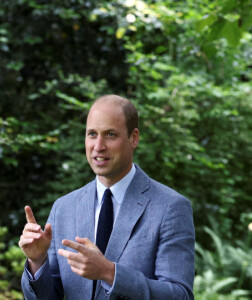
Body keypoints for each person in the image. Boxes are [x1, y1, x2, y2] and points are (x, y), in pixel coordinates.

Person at [19, 95, 195, 300]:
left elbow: (180, 296)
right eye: (92, 134)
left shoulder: (170, 207)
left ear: (134, 138)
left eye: (110, 135)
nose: (99, 146)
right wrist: (37, 262)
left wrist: (109, 273)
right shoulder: (63, 208)